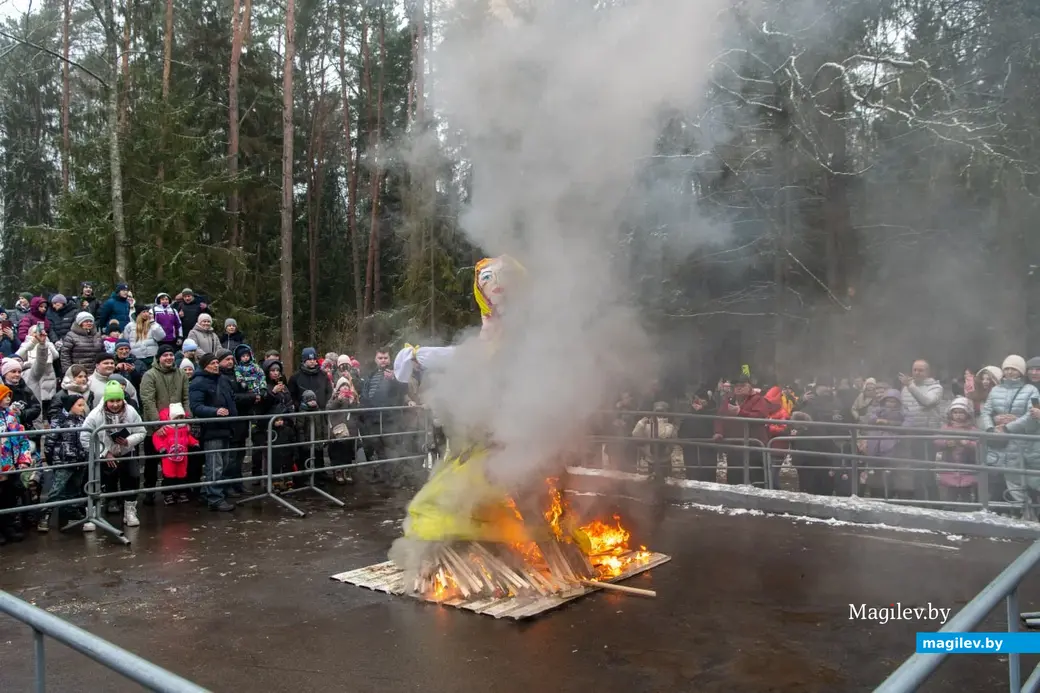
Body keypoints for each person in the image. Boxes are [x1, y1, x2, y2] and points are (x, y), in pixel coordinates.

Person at [979, 355, 1040, 512]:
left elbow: (1034, 414)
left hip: (1019, 445)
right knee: (995, 481)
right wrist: (990, 428)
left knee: (1018, 482)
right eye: (1007, 368)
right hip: (998, 444)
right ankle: (998, 514)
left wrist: (1009, 427)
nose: (1010, 372)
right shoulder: (995, 390)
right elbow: (986, 411)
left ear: (1021, 372)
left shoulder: (1032, 391)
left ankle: (1025, 514)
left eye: (1014, 369)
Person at [81, 380, 146, 526]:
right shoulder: (95, 415)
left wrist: (128, 441)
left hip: (126, 453)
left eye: (118, 400)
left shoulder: (131, 411)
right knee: (94, 482)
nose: (115, 404)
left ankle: (129, 512)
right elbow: (85, 437)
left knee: (132, 478)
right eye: (111, 401)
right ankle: (91, 514)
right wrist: (104, 453)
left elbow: (141, 431)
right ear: (106, 400)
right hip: (104, 456)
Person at [139, 343, 190, 504]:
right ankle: (150, 491)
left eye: (170, 355)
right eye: (165, 355)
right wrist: (157, 425)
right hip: (156, 427)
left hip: (178, 426)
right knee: (152, 461)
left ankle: (175, 490)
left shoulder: (181, 374)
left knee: (178, 458)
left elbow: (186, 398)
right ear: (158, 358)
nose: (168, 358)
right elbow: (148, 401)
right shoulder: (150, 375)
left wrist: (188, 419)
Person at [189, 352, 238, 511]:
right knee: (214, 465)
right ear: (204, 366)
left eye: (217, 362)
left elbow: (232, 399)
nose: (216, 365)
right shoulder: (198, 382)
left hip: (226, 427)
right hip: (211, 429)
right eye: (212, 363)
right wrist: (214, 411)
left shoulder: (223, 380)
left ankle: (211, 492)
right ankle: (215, 498)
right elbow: (196, 407)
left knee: (224, 464)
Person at [43, 393, 92, 531]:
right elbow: (50, 441)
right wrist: (51, 459)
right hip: (64, 461)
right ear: (70, 406)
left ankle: (71, 511)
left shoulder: (83, 420)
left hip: (79, 459)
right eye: (79, 405)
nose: (82, 408)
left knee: (74, 487)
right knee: (57, 490)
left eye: (83, 405)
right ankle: (45, 515)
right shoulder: (60, 420)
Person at [0, 383, 36, 544]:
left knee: (10, 497)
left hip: (12, 465)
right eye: (5, 396)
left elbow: (23, 439)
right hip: (1, 466)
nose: (9, 399)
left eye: (9, 396)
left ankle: (8, 526)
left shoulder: (12, 417)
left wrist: (24, 460)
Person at [934, 397, 978, 504]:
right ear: (951, 414)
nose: (958, 415)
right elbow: (937, 441)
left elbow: (979, 444)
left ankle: (968, 509)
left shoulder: (972, 429)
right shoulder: (946, 427)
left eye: (961, 413)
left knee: (966, 495)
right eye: (955, 412)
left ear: (968, 414)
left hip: (967, 467)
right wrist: (946, 443)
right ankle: (949, 510)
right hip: (950, 466)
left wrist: (967, 443)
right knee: (950, 495)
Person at [153, 403, 198, 505]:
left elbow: (188, 438)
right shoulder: (165, 429)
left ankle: (182, 492)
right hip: (168, 457)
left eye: (181, 417)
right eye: (177, 417)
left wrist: (194, 443)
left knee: (182, 475)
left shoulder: (185, 429)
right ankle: (167, 494)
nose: (179, 419)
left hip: (182, 457)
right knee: (168, 476)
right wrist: (161, 448)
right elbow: (157, 438)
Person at [16, 324, 59, 422]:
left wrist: (46, 343)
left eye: (39, 331)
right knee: (37, 403)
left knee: (49, 402)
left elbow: (56, 356)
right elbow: (17, 358)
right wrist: (30, 364)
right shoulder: (26, 345)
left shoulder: (47, 343)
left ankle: (47, 421)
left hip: (48, 376)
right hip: (33, 376)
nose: (37, 334)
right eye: (35, 332)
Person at [633, 401, 684, 479]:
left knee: (662, 481)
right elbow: (635, 434)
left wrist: (643, 422)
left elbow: (664, 436)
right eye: (658, 411)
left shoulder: (669, 426)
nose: (659, 414)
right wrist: (642, 423)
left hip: (662, 459)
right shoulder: (648, 425)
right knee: (657, 481)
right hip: (654, 459)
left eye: (661, 411)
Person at [327, 376, 360, 484]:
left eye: (347, 386)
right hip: (337, 430)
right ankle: (338, 471)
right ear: (338, 388)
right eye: (342, 386)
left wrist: (352, 402)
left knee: (348, 451)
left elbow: (357, 412)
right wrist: (338, 400)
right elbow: (329, 408)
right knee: (337, 451)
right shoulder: (334, 398)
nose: (345, 388)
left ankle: (347, 470)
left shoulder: (352, 398)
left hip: (350, 429)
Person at [2, 359, 42, 427]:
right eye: (13, 371)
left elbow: (36, 408)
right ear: (5, 373)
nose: (17, 374)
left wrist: (21, 413)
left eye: (19, 372)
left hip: (24, 428)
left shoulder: (25, 389)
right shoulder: (1, 389)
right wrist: (8, 411)